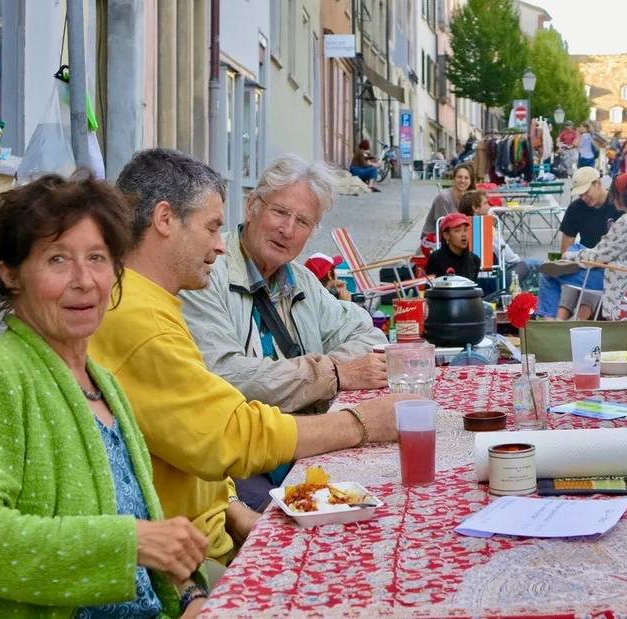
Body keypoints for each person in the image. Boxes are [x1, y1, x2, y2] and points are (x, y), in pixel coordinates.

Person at [89, 148, 416, 576]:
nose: (218, 245)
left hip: (217, 516)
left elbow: (187, 438)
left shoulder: (157, 300)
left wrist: (231, 510)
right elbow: (227, 431)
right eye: (211, 228)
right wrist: (356, 416)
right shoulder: (148, 309)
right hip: (194, 547)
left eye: (303, 222)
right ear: (165, 220)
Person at [0, 173, 210, 617]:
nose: (84, 280)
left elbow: (147, 536)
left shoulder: (103, 383)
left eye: (97, 258)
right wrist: (130, 541)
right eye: (58, 259)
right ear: (10, 273)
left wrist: (191, 595)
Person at [179, 154, 391, 510]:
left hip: (303, 448)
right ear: (252, 207)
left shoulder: (301, 280)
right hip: (237, 465)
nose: (287, 229)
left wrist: (325, 373)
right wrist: (333, 374)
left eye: (303, 221)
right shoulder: (206, 274)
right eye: (280, 212)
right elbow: (224, 377)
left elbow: (369, 335)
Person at [549, 173, 627, 320]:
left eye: (614, 195)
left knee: (550, 274)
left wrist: (569, 256)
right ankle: (570, 321)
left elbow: (599, 256)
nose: (612, 199)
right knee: (579, 255)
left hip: (615, 277)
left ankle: (551, 322)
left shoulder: (626, 222)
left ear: (622, 196)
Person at [457, 189, 541, 289]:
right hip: (490, 284)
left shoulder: (456, 230)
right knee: (526, 265)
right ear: (475, 208)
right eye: (485, 203)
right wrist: (494, 230)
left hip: (463, 282)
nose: (489, 206)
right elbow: (511, 258)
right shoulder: (485, 230)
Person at [420, 163, 475, 255]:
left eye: (466, 178)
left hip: (456, 237)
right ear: (454, 178)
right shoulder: (444, 198)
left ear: (471, 181)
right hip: (434, 240)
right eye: (459, 177)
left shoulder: (470, 198)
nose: (462, 180)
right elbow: (448, 227)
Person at [425, 212, 481, 282]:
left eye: (465, 230)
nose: (464, 234)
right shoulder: (435, 259)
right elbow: (429, 288)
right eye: (457, 230)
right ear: (446, 235)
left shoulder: (474, 260)